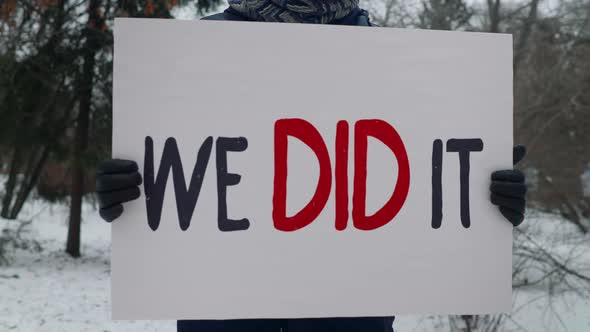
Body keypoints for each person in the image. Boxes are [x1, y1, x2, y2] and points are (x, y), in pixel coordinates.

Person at [96, 1, 528, 331]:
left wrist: (486, 196)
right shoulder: (190, 52)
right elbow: (169, 165)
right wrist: (125, 191)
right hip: (221, 316)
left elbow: (429, 178)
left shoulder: (401, 58)